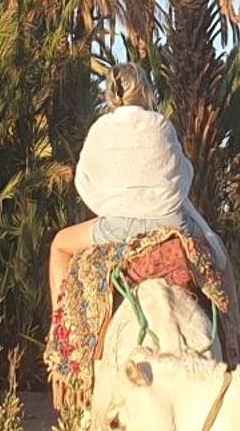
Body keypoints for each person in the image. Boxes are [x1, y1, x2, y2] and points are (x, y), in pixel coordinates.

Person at [48, 64, 226, 313]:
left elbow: (84, 181)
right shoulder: (161, 125)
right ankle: (236, 335)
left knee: (59, 245)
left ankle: (62, 330)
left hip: (117, 229)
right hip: (170, 224)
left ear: (111, 95)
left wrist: (112, 203)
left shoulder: (101, 129)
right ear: (144, 90)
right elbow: (183, 175)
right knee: (217, 253)